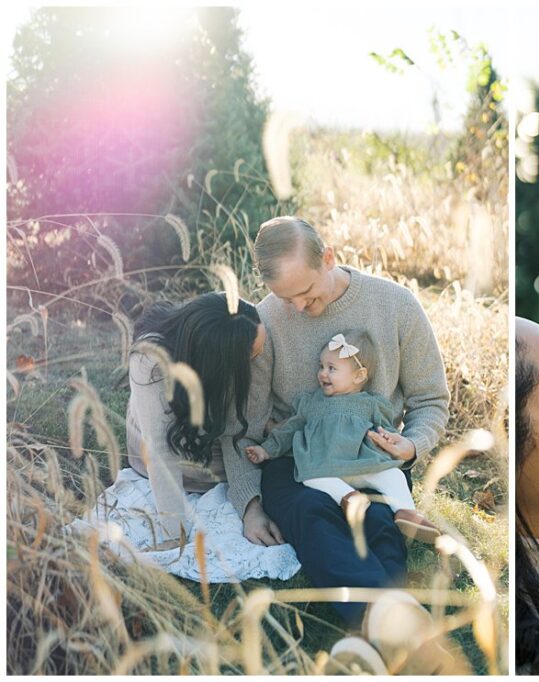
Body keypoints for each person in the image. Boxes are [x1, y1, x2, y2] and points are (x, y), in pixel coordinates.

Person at [233, 216, 449, 627]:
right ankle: (385, 620)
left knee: (380, 522)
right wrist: (249, 503)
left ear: (328, 258)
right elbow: (243, 424)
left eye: (306, 292)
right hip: (299, 458)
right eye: (284, 297)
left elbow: (430, 399)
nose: (298, 307)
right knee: (313, 517)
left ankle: (394, 622)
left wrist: (412, 444)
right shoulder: (265, 322)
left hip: (370, 454)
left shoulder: (396, 305)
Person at [244, 330, 440, 542]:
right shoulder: (311, 403)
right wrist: (266, 450)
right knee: (309, 477)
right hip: (324, 466)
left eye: (332, 368)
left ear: (359, 376)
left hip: (362, 463)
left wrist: (390, 439)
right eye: (321, 367)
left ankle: (407, 513)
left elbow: (385, 429)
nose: (322, 374)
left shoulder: (371, 403)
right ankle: (348, 498)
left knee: (393, 476)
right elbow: (289, 429)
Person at [126, 292, 267, 548]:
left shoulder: (230, 335)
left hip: (207, 431)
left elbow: (236, 427)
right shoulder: (149, 361)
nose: (257, 361)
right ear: (220, 359)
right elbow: (160, 449)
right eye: (252, 357)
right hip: (168, 451)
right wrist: (173, 531)